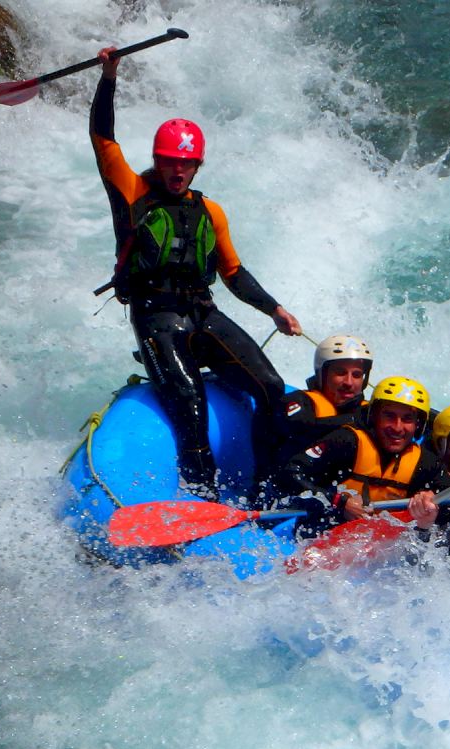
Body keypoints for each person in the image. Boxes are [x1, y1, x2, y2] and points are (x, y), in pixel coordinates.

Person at [90, 47, 302, 499]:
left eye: (186, 163)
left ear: (197, 165)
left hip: (202, 313)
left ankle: (268, 482)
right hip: (155, 316)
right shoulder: (133, 193)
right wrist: (109, 77)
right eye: (170, 161)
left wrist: (274, 310)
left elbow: (234, 272)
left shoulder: (210, 211)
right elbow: (103, 139)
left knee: (268, 386)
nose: (178, 170)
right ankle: (202, 495)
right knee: (190, 402)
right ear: (158, 160)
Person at [273, 375, 450, 533]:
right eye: (389, 416)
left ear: (419, 425)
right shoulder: (347, 442)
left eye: (407, 419)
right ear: (374, 416)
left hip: (380, 549)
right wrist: (338, 501)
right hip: (324, 534)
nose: (397, 427)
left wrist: (431, 500)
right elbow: (291, 474)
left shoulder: (425, 462)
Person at [263, 335, 374, 496]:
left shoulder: (370, 413)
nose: (349, 382)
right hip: (294, 492)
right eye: (340, 372)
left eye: (357, 375)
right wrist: (351, 421)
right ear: (322, 373)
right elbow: (297, 427)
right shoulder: (298, 401)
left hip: (351, 502)